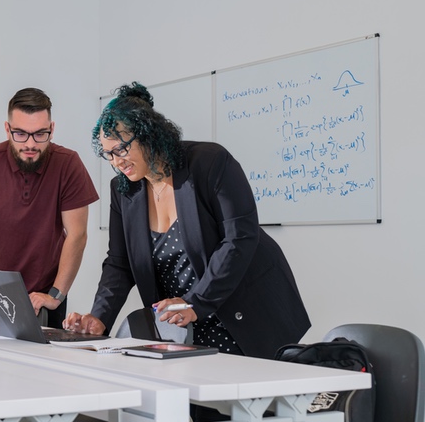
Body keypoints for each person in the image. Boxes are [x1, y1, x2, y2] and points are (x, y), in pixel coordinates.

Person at [64, 82, 310, 360]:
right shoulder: (124, 190)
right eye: (107, 155)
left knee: (246, 398)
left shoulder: (210, 162)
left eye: (121, 149)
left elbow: (239, 237)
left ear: (147, 133)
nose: (116, 162)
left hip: (243, 310)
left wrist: (197, 301)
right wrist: (99, 317)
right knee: (190, 400)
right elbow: (119, 264)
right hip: (185, 321)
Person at [0, 88, 99, 329]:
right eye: (20, 134)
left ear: (52, 129)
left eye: (40, 134)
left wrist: (56, 295)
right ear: (7, 129)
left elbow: (77, 235)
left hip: (47, 290)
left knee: (46, 362)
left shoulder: (68, 164)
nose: (30, 144)